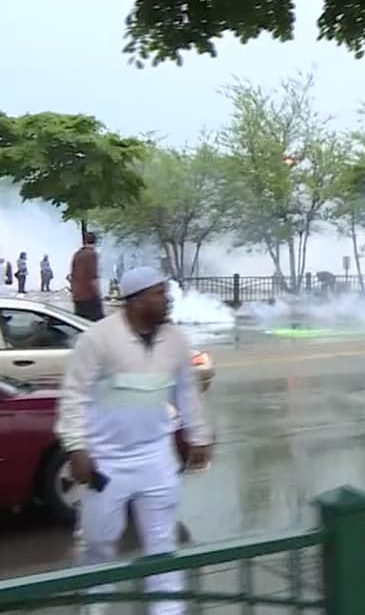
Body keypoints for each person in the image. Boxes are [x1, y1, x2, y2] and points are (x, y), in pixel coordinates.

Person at [56, 266, 211, 615]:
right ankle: (94, 608)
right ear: (136, 300)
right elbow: (74, 395)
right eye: (159, 293)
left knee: (162, 545)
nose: (167, 299)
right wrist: (77, 447)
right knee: (99, 545)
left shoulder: (175, 340)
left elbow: (186, 391)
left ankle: (167, 610)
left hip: (156, 457)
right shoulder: (98, 339)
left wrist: (198, 435)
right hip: (106, 462)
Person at [71, 232, 104, 321]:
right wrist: (98, 294)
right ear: (95, 242)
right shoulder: (92, 254)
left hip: (77, 296)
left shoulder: (77, 254)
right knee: (96, 323)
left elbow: (72, 275)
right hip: (89, 296)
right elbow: (93, 278)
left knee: (80, 322)